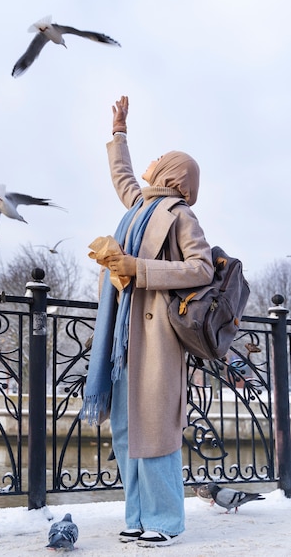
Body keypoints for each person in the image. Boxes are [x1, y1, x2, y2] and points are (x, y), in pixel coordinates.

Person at [80, 95, 213, 548]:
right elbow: (122, 177)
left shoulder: (180, 215)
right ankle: (137, 515)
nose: (151, 160)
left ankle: (167, 521)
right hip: (122, 337)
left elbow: (202, 269)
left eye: (160, 158)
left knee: (154, 431)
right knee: (125, 429)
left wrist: (140, 268)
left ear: (173, 173)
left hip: (156, 338)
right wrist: (119, 132)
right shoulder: (138, 206)